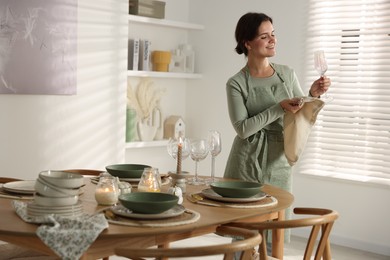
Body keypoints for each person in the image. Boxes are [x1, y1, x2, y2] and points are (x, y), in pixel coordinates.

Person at [223, 12, 331, 254]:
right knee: (243, 232)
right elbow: (242, 129)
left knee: (275, 231)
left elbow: (299, 114)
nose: (272, 40)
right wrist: (278, 108)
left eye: (273, 34)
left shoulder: (287, 74)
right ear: (247, 43)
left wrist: (313, 95)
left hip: (279, 161)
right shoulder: (236, 83)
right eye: (264, 36)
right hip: (246, 161)